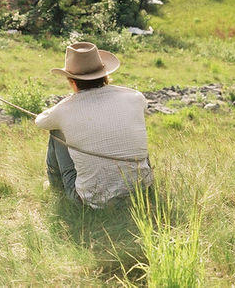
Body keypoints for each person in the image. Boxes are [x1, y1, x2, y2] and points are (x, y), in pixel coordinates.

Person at [35, 42, 153, 208]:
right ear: (105, 75)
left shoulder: (63, 109)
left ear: (72, 82)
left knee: (56, 131)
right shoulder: (135, 97)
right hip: (141, 190)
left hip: (93, 200)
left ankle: (56, 188)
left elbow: (40, 121)